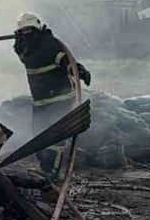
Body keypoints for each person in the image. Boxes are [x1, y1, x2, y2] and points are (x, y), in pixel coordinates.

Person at [12, 12, 91, 174]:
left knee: (54, 138)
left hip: (59, 100)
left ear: (37, 29)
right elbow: (22, 55)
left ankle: (52, 174)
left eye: (29, 30)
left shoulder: (49, 44)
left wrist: (79, 70)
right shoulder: (24, 47)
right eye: (23, 31)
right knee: (39, 137)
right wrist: (18, 41)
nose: (27, 34)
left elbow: (66, 62)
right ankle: (44, 169)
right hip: (41, 101)